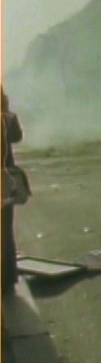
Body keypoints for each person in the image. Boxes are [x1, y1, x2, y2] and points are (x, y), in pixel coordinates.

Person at [2, 88, 28, 297]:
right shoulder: (8, 118)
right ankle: (8, 276)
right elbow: (17, 137)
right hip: (5, 178)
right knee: (6, 231)